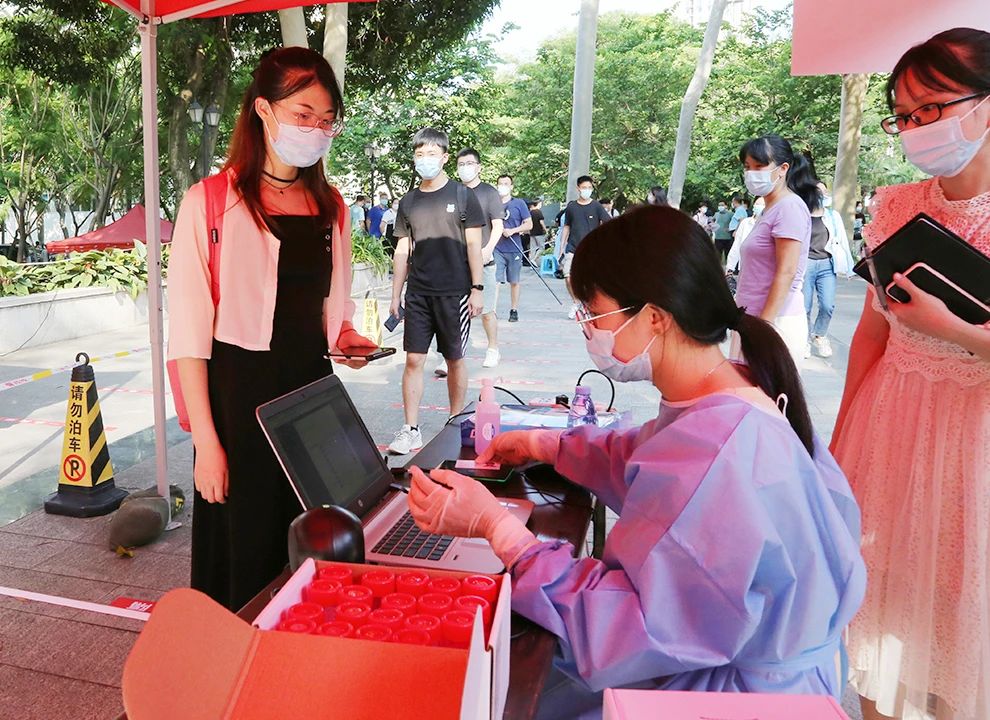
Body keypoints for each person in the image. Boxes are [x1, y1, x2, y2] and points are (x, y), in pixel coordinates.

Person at [407, 206, 865, 719]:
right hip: (749, 661)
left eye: (594, 313)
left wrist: (499, 530)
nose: (587, 328)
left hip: (722, 695)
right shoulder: (733, 392)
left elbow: (633, 625)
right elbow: (648, 458)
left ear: (654, 317)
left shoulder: (718, 452)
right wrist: (547, 444)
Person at [167, 47, 375, 611]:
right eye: (303, 115)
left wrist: (346, 340)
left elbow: (330, 311)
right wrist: (206, 444)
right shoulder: (210, 203)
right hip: (239, 401)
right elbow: (188, 337)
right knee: (248, 548)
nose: (316, 130)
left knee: (316, 547)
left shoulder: (331, 206)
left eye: (327, 120)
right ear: (263, 109)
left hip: (311, 397)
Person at [830, 28, 990, 720]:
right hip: (890, 421)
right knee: (886, 602)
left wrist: (950, 329)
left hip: (975, 441)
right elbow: (872, 331)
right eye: (904, 114)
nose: (918, 127)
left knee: (960, 613)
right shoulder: (896, 205)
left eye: (933, 107)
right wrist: (839, 440)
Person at [387, 128, 486, 455]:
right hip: (418, 293)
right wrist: (395, 295)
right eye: (420, 154)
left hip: (455, 292)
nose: (425, 160)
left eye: (431, 154)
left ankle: (455, 425)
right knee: (413, 359)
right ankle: (410, 429)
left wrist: (477, 288)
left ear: (444, 157)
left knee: (454, 358)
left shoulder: (463, 196)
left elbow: (474, 245)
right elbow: (403, 249)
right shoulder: (408, 201)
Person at [735, 134, 818, 365]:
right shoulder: (769, 209)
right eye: (747, 167)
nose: (751, 173)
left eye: (759, 166)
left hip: (775, 321)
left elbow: (787, 271)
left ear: (783, 169)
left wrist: (764, 326)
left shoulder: (789, 207)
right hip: (753, 318)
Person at [456, 147, 505, 368]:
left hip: (484, 262)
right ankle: (453, 354)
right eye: (461, 165)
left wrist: (487, 250)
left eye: (469, 164)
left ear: (479, 167)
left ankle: (493, 349)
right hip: (458, 263)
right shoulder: (453, 192)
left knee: (486, 311)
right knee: (455, 312)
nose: (465, 168)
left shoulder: (489, 192)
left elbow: (498, 226)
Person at [803, 182, 854, 359]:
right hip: (806, 263)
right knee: (805, 306)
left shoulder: (832, 216)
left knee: (827, 305)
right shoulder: (802, 214)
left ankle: (820, 335)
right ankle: (805, 340)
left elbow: (842, 241)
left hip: (827, 263)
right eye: (819, 191)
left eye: (825, 191)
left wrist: (849, 268)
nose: (823, 194)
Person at [559, 175, 612, 318]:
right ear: (578, 188)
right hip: (573, 247)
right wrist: (562, 246)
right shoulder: (571, 207)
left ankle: (590, 304)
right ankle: (576, 302)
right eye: (584, 187)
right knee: (568, 276)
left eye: (589, 187)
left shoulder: (596, 206)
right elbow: (567, 226)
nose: (587, 190)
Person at [495, 174, 532, 324]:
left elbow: (529, 224)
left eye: (506, 184)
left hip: (514, 248)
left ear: (511, 186)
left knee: (514, 281)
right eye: (500, 183)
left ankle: (514, 309)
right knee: (495, 280)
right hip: (496, 248)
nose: (503, 186)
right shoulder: (493, 203)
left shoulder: (519, 203)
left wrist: (513, 231)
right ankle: (492, 310)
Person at [527, 198, 547, 265]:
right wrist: (545, 229)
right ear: (538, 204)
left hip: (532, 232)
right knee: (541, 247)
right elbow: (541, 222)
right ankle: (534, 259)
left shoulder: (530, 213)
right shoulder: (538, 212)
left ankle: (531, 262)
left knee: (532, 248)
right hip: (539, 232)